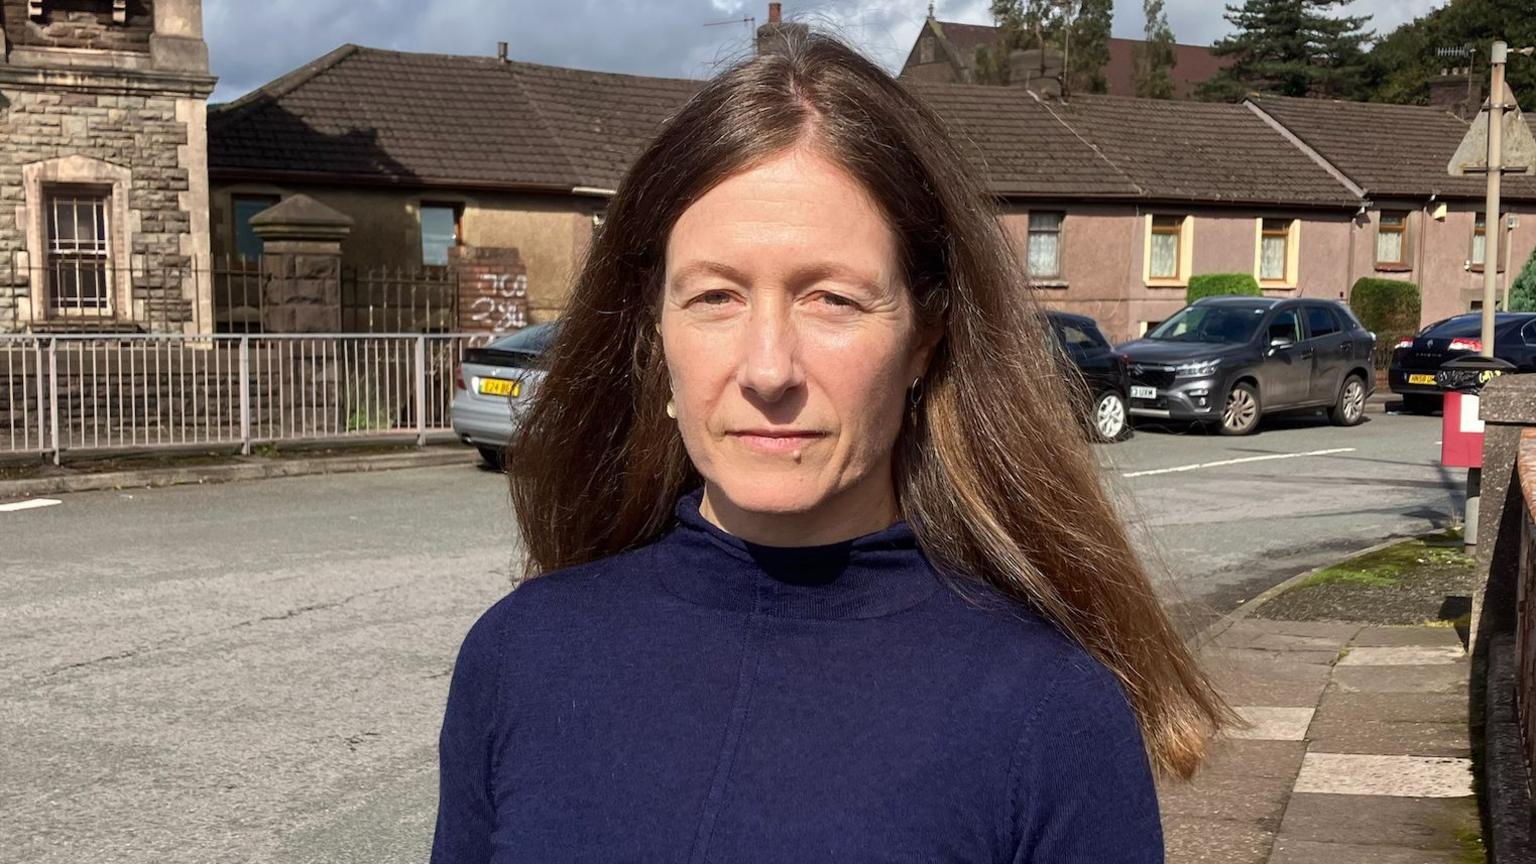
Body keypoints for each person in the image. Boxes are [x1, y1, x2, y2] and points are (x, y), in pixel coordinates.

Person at [432, 31, 1231, 863]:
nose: (769, 369)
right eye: (714, 296)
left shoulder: (1050, 713)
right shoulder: (520, 657)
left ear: (925, 338)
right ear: (654, 332)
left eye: (832, 300)